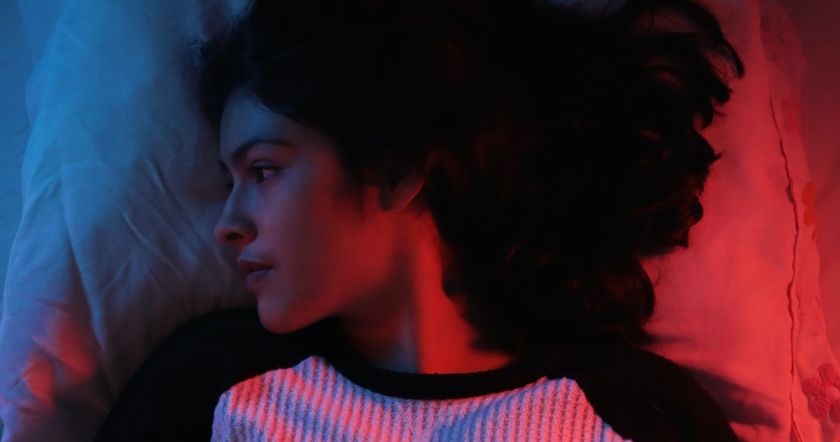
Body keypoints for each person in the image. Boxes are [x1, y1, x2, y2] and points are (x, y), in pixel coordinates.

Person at [95, 0, 745, 440]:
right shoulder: (210, 384)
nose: (227, 223)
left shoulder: (634, 413)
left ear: (397, 172)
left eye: (263, 170)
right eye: (228, 181)